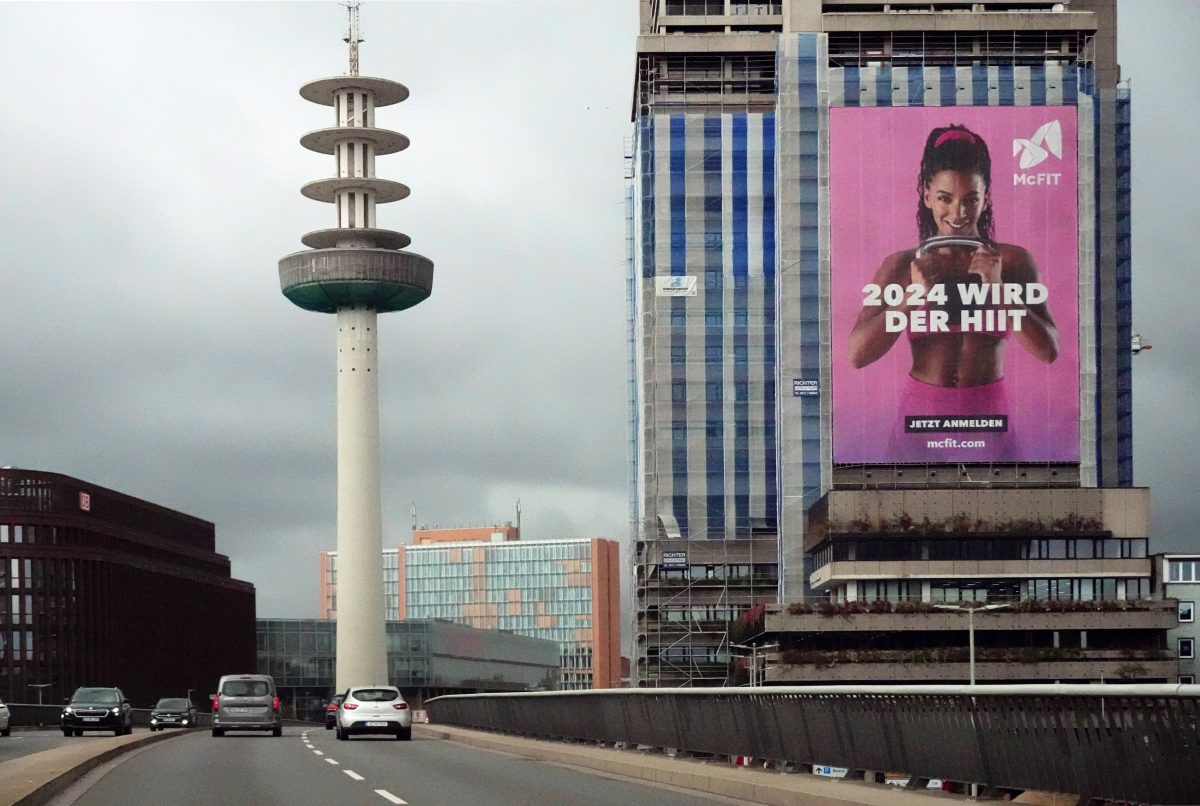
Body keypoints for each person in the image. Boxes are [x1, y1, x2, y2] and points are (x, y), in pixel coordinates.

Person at [845, 124, 1059, 458]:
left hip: (990, 422)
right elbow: (857, 355)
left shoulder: (1013, 260)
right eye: (945, 198)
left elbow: (1048, 351)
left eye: (970, 199)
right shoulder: (901, 266)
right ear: (926, 194)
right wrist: (911, 298)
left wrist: (999, 291)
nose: (958, 214)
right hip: (919, 422)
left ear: (986, 196)